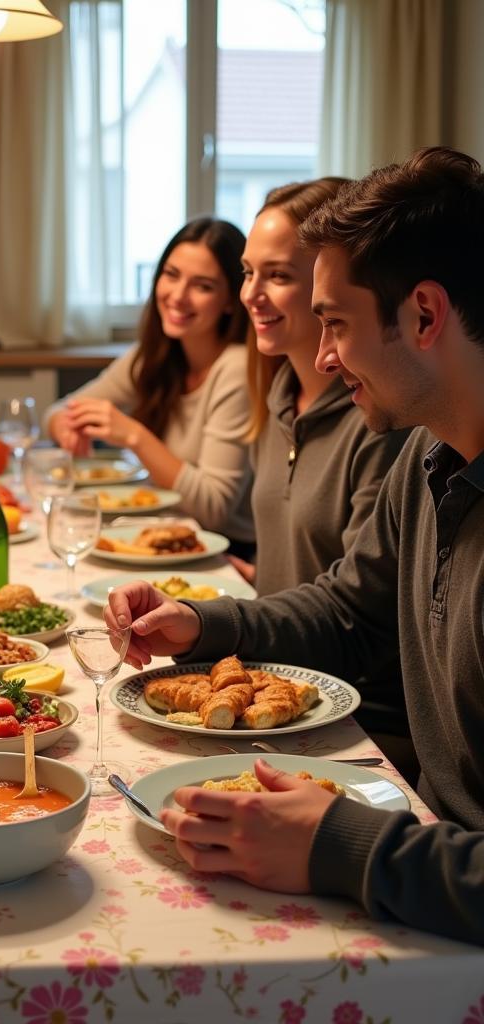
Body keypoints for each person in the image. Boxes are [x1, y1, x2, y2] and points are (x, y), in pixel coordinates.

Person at [104, 147, 484, 945]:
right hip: (414, 849)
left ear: (423, 314)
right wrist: (204, 624)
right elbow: (351, 608)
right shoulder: (430, 454)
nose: (320, 356)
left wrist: (341, 845)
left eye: (337, 324)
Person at [238, 178, 414, 768]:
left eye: (278, 276)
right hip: (277, 682)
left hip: (348, 718)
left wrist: (216, 621)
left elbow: (356, 612)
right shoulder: (281, 396)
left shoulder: (389, 424)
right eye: (247, 272)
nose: (252, 295)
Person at [43, 218, 254, 550]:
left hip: (225, 550)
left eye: (203, 286)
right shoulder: (155, 355)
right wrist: (66, 426)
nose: (178, 296)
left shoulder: (236, 368)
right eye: (171, 275)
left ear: (231, 300)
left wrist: (134, 435)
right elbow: (55, 412)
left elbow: (214, 509)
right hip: (163, 535)